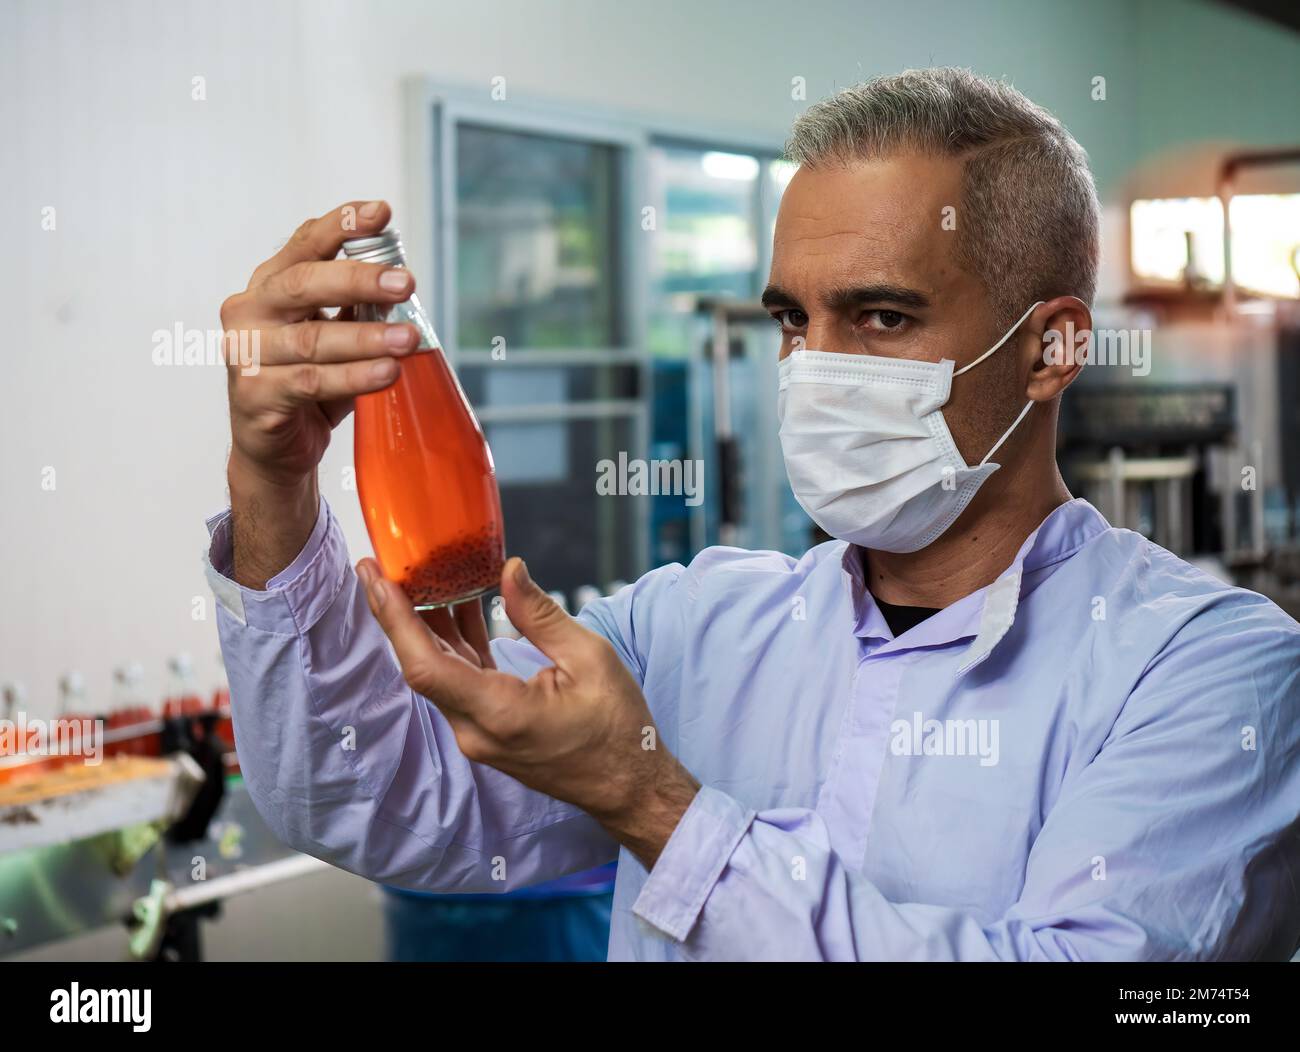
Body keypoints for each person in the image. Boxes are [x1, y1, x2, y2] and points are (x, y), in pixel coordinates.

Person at [206, 68, 1300, 961]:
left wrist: (652, 804)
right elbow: (359, 793)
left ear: (1049, 346)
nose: (812, 367)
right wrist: (275, 485)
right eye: (791, 318)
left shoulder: (1209, 674)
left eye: (878, 315)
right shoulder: (690, 632)